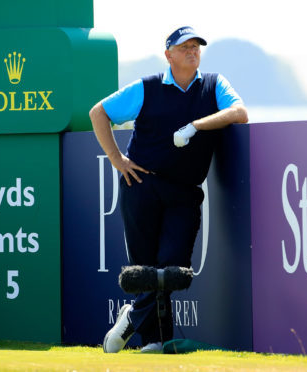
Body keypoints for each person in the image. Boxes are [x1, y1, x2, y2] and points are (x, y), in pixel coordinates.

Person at [89, 26, 248, 354]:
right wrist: (118, 160)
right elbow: (99, 112)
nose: (192, 51)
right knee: (147, 268)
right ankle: (156, 343)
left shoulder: (213, 85)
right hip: (141, 185)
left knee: (172, 266)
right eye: (184, 47)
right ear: (169, 55)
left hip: (185, 191)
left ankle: (132, 315)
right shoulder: (147, 88)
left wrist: (196, 125)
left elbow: (239, 113)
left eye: (196, 46)